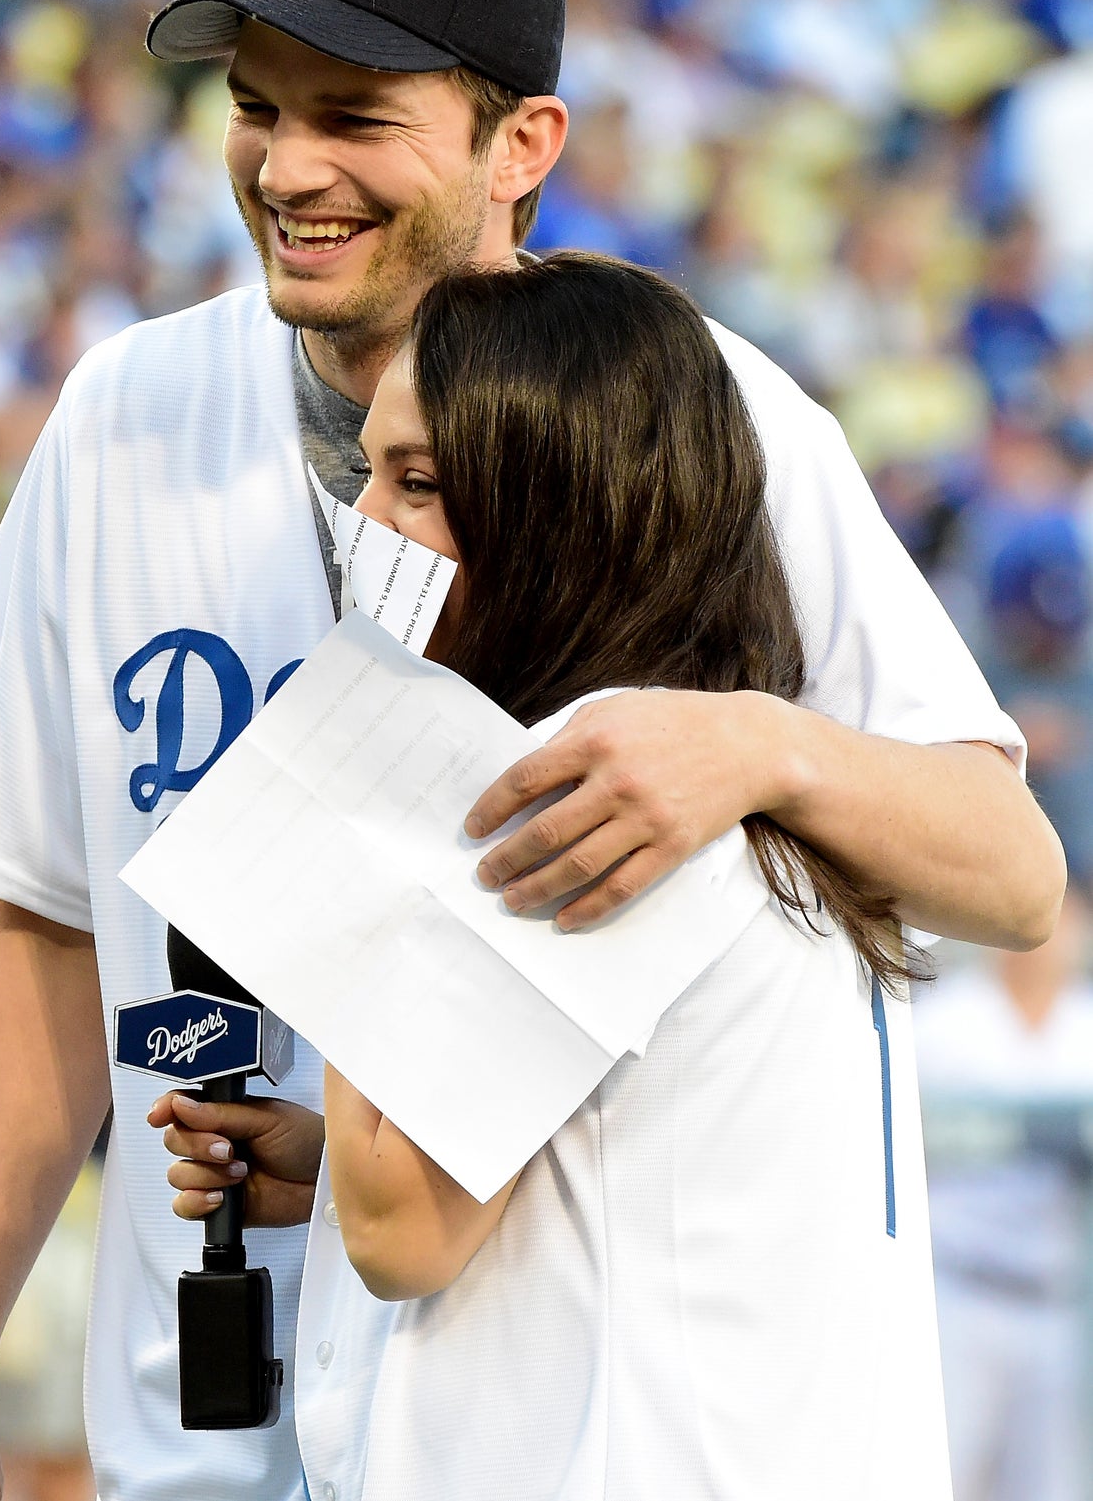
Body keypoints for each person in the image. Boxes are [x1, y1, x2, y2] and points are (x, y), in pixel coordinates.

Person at [0, 0, 1064, 1501]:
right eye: (259, 105)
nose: (286, 166)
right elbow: (45, 926)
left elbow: (1006, 862)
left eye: (357, 114)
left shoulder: (702, 425)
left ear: (521, 143)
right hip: (211, 1426)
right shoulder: (121, 422)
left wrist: (761, 744)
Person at [161, 254, 957, 1499]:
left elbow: (401, 1234)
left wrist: (370, 826)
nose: (368, 524)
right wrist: (332, 1159)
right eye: (365, 472)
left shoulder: (586, 796)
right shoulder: (731, 772)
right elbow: (618, 1168)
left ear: (561, 505)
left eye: (419, 485)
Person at [915, 888, 1093, 1501]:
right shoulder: (944, 1023)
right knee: (940, 1478)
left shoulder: (1086, 1027)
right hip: (960, 1290)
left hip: (1058, 1301)